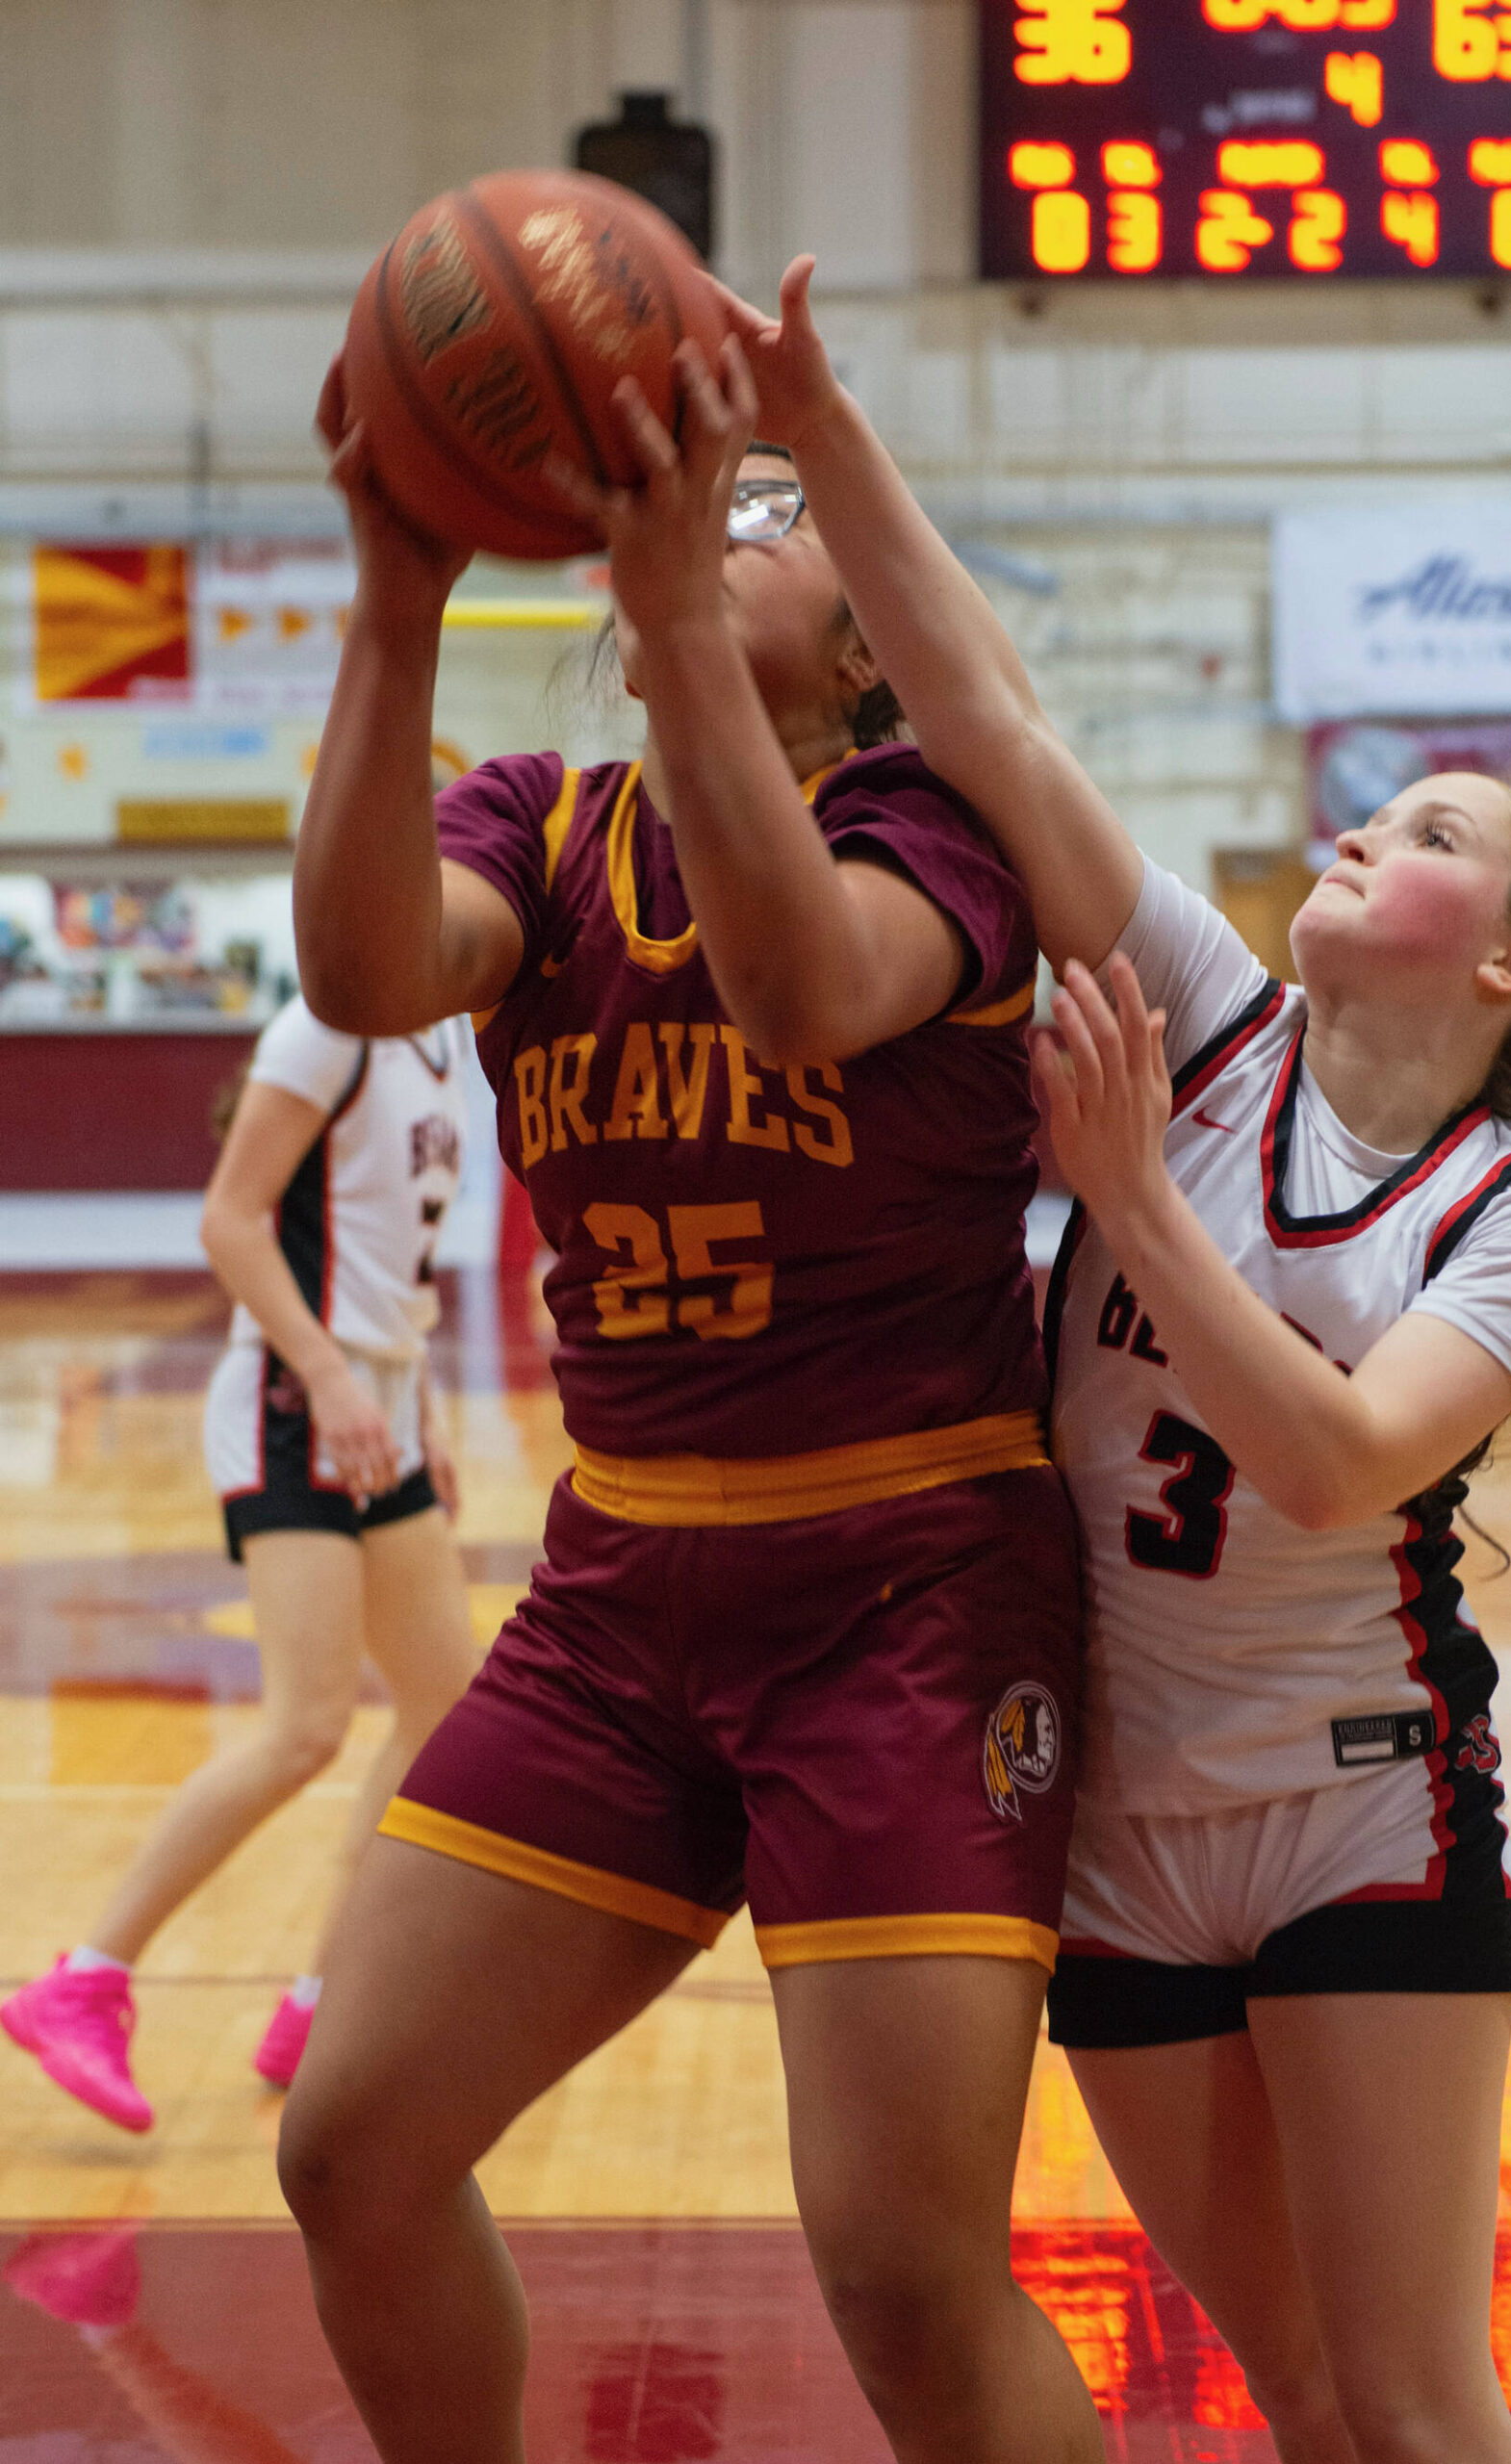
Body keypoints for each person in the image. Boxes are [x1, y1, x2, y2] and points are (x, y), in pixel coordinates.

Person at [710, 259, 1511, 2464]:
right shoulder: (1201, 1009)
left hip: (1362, 1803)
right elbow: (985, 712)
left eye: (1432, 830)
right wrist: (822, 420)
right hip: (1117, 1818)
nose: (1363, 830)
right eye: (1372, 811)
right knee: (1297, 2395)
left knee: (1424, 2400)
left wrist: (1130, 1203)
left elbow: (1346, 1459)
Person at [273, 338, 1101, 2464]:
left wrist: (659, 598)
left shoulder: (940, 825)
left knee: (909, 2275)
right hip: (621, 1586)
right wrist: (394, 593)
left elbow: (809, 991)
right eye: (709, 515)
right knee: (351, 2148)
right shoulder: (536, 829)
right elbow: (367, 974)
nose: (729, 524)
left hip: (907, 1595)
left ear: (867, 645)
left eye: (773, 520)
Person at [2, 998, 477, 2134]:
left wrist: (427, 1405)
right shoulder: (329, 1025)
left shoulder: (437, 1034)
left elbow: (383, 1260)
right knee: (304, 1727)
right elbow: (229, 1220)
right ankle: (86, 1978)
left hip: (382, 1401)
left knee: (443, 1707)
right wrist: (327, 1375)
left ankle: (325, 1998)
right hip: (292, 1398)